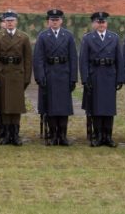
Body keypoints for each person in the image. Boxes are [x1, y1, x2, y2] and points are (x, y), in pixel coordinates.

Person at [0, 10, 33, 146]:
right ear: (4, 23)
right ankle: (6, 134)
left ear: (16, 22)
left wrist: (26, 78)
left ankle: (15, 134)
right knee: (5, 106)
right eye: (7, 21)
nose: (10, 23)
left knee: (16, 106)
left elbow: (28, 60)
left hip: (18, 75)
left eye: (12, 21)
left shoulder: (23, 37)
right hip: (3, 74)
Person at [33, 8, 78, 146]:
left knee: (63, 108)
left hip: (64, 74)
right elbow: (38, 59)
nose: (54, 22)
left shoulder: (68, 36)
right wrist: (40, 77)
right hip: (49, 74)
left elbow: (73, 58)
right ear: (48, 21)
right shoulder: (43, 36)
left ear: (61, 21)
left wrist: (73, 78)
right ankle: (53, 135)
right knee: (51, 108)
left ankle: (63, 136)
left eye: (57, 20)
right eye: (52, 20)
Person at [79, 11, 121, 148]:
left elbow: (119, 60)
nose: (101, 24)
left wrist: (120, 78)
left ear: (106, 23)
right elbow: (83, 60)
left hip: (109, 75)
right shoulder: (88, 38)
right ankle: (97, 136)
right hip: (95, 75)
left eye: (103, 22)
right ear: (93, 24)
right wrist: (85, 79)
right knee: (96, 108)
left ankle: (108, 136)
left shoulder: (114, 38)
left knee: (109, 108)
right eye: (98, 22)